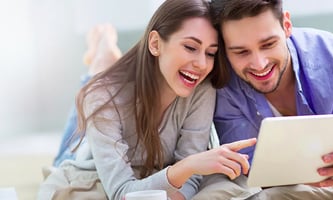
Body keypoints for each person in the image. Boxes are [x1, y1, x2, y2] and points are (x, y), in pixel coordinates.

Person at [38, 0, 256, 199]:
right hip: (91, 158)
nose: (202, 63)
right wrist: (187, 166)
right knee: (75, 138)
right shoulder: (102, 97)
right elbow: (121, 192)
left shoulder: (201, 87)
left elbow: (192, 178)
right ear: (155, 43)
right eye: (190, 47)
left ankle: (107, 61)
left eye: (210, 53)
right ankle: (101, 57)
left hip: (141, 122)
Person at [197, 0, 333, 199]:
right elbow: (248, 170)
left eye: (268, 44)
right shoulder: (223, 80)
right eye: (241, 52)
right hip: (261, 186)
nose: (260, 64)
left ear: (286, 25)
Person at [52, 23, 122, 167]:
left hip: (89, 151)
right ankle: (98, 68)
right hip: (106, 143)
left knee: (61, 161)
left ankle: (97, 68)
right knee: (77, 143)